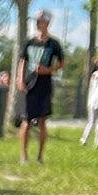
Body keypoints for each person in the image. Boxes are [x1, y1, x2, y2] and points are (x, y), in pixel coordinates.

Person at [17, 10, 63, 163]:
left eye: (41, 21)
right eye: (37, 21)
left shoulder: (53, 44)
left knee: (43, 121)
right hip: (30, 84)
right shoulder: (29, 42)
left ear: (47, 23)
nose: (39, 23)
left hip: (45, 85)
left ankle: (40, 156)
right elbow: (23, 61)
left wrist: (49, 70)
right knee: (26, 121)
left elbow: (62, 63)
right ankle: (23, 156)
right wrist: (20, 79)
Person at [80, 53, 98, 146]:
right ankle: (97, 143)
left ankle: (84, 139)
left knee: (91, 122)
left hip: (92, 101)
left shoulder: (94, 75)